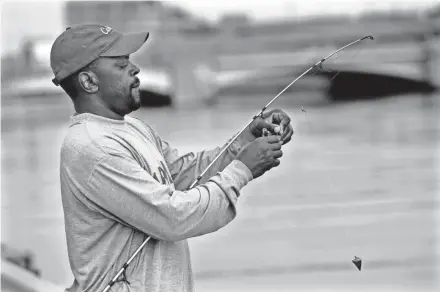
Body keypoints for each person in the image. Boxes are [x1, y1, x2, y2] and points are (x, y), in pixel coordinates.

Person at [51, 24, 294, 292]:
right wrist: (242, 169)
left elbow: (185, 173)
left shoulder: (133, 128)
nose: (135, 69)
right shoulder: (93, 147)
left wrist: (245, 140)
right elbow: (173, 218)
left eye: (130, 62)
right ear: (89, 82)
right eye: (120, 66)